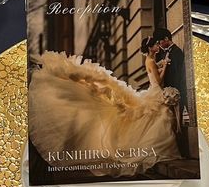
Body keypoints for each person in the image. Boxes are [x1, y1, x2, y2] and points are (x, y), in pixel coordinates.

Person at [28, 41, 180, 180]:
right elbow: (158, 80)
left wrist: (161, 65)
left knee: (150, 117)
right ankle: (151, 148)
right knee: (155, 117)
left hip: (154, 91)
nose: (158, 46)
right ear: (151, 48)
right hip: (155, 90)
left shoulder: (150, 60)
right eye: (156, 45)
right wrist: (165, 66)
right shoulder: (150, 61)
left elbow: (154, 75)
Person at [153, 27, 187, 133]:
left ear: (166, 39)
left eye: (160, 42)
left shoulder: (177, 52)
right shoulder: (161, 54)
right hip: (166, 93)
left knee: (178, 124)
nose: (159, 45)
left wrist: (176, 92)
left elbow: (179, 74)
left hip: (175, 93)